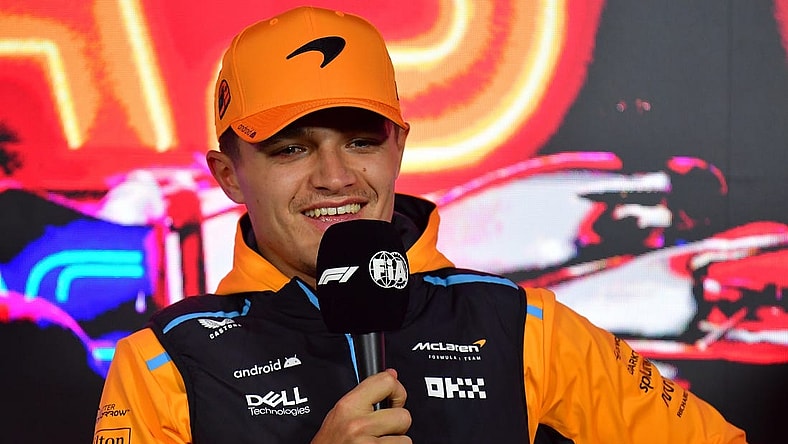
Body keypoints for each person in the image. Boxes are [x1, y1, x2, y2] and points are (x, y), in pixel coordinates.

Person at [93, 6, 747, 443]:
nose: (335, 176)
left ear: (398, 148)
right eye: (290, 149)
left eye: (360, 140)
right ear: (228, 174)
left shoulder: (523, 325)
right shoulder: (163, 361)